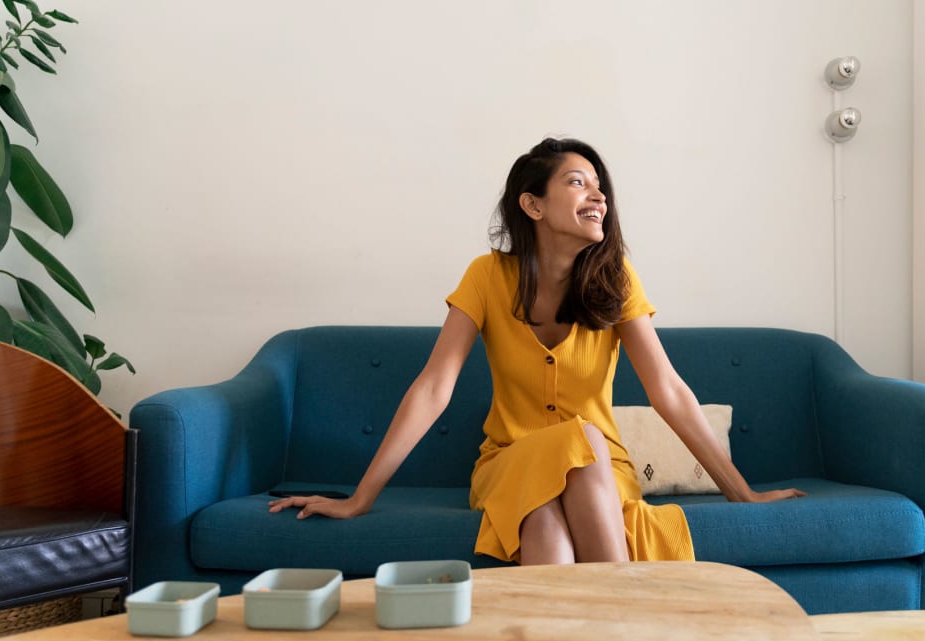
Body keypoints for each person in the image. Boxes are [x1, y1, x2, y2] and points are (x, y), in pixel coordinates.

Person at [268, 137, 806, 565]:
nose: (598, 196)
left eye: (600, 187)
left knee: (549, 518)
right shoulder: (486, 276)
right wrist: (361, 497)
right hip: (509, 462)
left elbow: (667, 390)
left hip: (601, 469)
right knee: (578, 443)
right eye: (578, 182)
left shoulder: (617, 281)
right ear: (533, 204)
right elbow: (434, 387)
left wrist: (743, 494)